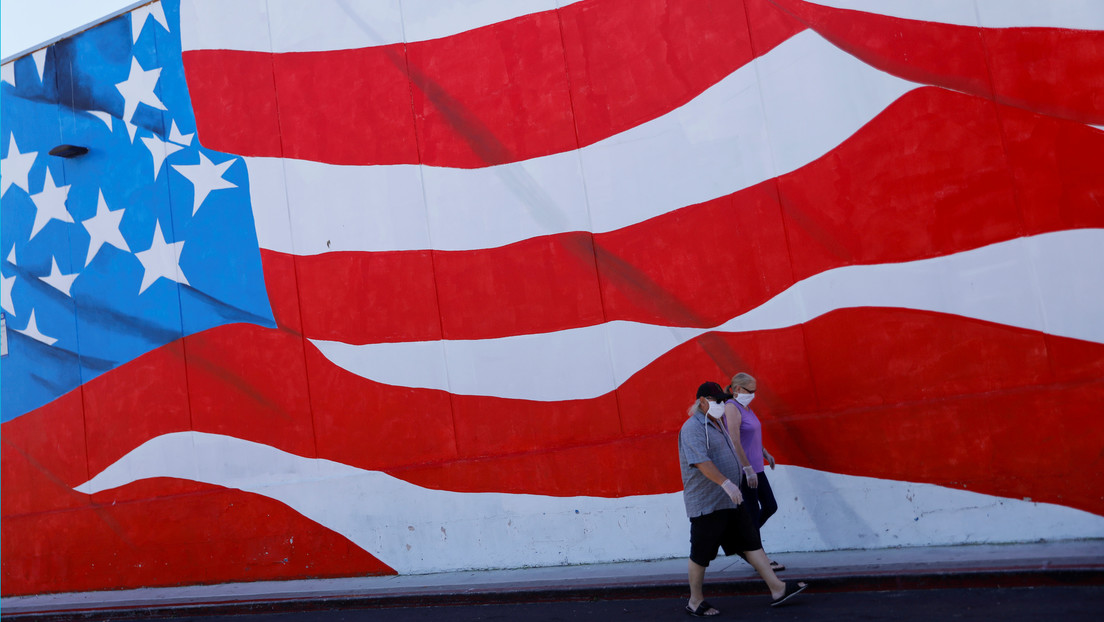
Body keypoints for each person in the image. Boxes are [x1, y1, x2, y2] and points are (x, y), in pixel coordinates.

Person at [678, 381, 807, 616]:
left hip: (731, 500)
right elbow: (701, 462)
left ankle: (777, 588)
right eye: (717, 400)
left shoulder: (717, 424)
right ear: (703, 401)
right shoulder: (692, 428)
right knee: (701, 554)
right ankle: (695, 601)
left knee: (751, 542)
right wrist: (725, 483)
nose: (721, 404)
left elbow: (734, 448)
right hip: (709, 504)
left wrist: (746, 469)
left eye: (722, 400)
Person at [725, 372, 784, 571]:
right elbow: (734, 440)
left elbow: (751, 436)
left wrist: (765, 453)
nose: (754, 394)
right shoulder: (731, 408)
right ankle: (761, 558)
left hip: (757, 468)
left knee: (770, 506)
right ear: (738, 389)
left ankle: (744, 543)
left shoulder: (746, 407)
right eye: (751, 390)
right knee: (751, 513)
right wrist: (747, 469)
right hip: (745, 471)